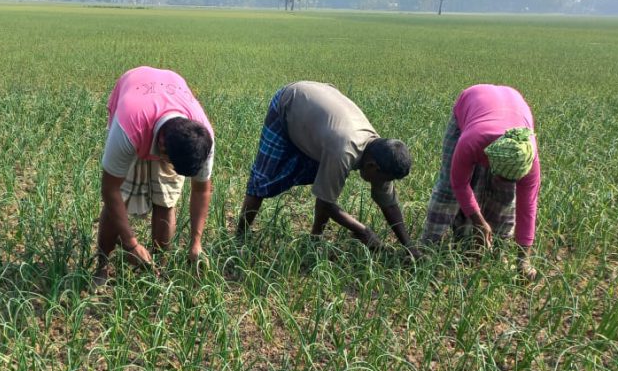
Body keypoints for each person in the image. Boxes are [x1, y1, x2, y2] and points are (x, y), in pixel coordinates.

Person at [236, 81, 417, 257]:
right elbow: (325, 202)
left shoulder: (380, 152)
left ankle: (315, 238)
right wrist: (363, 231)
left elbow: (389, 204)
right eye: (383, 179)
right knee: (262, 179)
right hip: (289, 103)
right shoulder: (343, 152)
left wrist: (409, 246)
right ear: (372, 166)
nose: (383, 183)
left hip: (317, 116)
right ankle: (239, 236)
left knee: (325, 183)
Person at [95, 66, 215, 281]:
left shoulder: (202, 137)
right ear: (161, 147)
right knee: (122, 195)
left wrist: (196, 242)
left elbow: (201, 189)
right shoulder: (129, 129)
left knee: (166, 198)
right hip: (135, 95)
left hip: (169, 92)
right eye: (170, 161)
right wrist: (131, 243)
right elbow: (109, 189)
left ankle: (157, 268)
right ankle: (102, 264)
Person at [419, 84, 540, 278]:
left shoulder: (528, 158)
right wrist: (479, 221)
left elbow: (528, 208)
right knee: (448, 189)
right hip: (472, 103)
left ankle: (496, 251)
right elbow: (458, 184)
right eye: (500, 174)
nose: (502, 180)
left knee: (505, 195)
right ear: (490, 158)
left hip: (513, 105)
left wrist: (524, 260)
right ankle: (427, 248)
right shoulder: (472, 141)